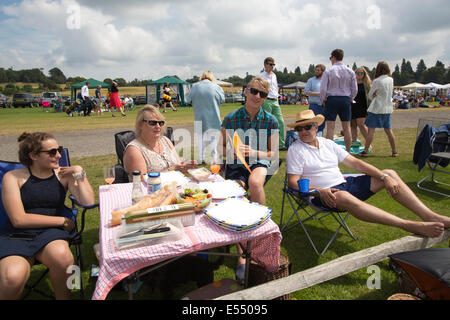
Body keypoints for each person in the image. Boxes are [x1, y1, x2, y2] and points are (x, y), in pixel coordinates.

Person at [285, 111, 449, 240]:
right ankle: (407, 224)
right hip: (322, 195)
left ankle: (430, 216)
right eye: (299, 129)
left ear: (316, 127)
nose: (303, 132)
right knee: (343, 195)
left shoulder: (328, 144)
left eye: (307, 127)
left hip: (344, 184)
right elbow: (293, 182)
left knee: (389, 173)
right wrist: (319, 190)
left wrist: (385, 178)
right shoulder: (296, 150)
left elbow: (356, 164)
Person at [0, 132, 95, 300]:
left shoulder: (62, 175)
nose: (58, 155)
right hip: (17, 234)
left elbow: (88, 202)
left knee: (64, 259)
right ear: (33, 155)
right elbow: (18, 219)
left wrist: (80, 173)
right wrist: (62, 220)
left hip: (51, 234)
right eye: (52, 152)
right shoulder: (12, 177)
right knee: (12, 277)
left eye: (58, 150)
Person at [221, 76, 279, 283]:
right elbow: (222, 149)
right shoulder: (230, 119)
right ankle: (243, 254)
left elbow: (273, 155)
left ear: (266, 98)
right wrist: (229, 155)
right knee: (237, 196)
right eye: (254, 91)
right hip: (236, 168)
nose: (257, 96)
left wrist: (253, 151)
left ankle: (261, 235)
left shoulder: (270, 121)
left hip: (260, 164)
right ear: (245, 91)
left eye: (262, 94)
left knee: (255, 184)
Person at [123, 105, 196, 179]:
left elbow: (177, 163)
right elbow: (141, 179)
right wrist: (173, 169)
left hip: (175, 187)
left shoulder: (165, 141)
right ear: (140, 125)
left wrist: (184, 166)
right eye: (152, 123)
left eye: (160, 123)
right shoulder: (134, 150)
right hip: (149, 189)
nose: (158, 126)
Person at [320, 49, 358, 153]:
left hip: (332, 99)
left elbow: (323, 88)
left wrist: (323, 99)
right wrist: (350, 98)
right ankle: (348, 151)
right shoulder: (350, 71)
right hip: (345, 99)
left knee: (330, 127)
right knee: (347, 127)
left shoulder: (328, 71)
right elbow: (354, 89)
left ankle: (329, 152)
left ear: (333, 57)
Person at [360, 61, 398, 158]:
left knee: (371, 131)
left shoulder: (377, 81)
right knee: (389, 131)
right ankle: (394, 151)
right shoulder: (390, 80)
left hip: (376, 108)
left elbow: (370, 95)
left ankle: (365, 151)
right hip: (387, 108)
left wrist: (374, 96)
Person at [187, 70, 225, 163]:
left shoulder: (194, 86)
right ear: (211, 77)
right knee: (213, 139)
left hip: (199, 116)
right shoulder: (217, 87)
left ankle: (201, 158)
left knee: (201, 139)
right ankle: (213, 158)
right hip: (213, 117)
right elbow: (222, 100)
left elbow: (188, 100)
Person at [259, 57, 286, 150]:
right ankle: (266, 145)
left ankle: (281, 145)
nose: (272, 66)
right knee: (267, 123)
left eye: (273, 64)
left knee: (280, 122)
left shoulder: (274, 75)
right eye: (270, 64)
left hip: (275, 100)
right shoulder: (261, 76)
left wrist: (277, 98)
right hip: (266, 100)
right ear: (265, 65)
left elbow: (275, 87)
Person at [350, 67, 371, 145]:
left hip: (362, 107)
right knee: (353, 125)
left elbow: (370, 96)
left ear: (364, 74)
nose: (359, 75)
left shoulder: (366, 84)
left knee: (361, 125)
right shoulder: (351, 83)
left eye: (361, 73)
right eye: (357, 73)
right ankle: (354, 142)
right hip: (352, 106)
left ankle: (369, 143)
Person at [305, 64, 326, 136]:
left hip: (324, 106)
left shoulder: (326, 81)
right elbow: (306, 92)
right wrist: (318, 94)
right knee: (314, 124)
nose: (316, 72)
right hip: (314, 105)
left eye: (318, 70)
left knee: (322, 124)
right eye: (316, 70)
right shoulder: (311, 80)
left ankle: (320, 139)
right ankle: (313, 138)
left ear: (323, 72)